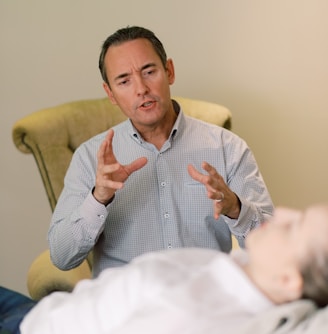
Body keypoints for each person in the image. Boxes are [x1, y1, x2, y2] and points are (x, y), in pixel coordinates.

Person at [48, 26, 273, 277]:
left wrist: (236, 208)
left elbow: (273, 247)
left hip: (204, 302)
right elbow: (61, 256)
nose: (141, 88)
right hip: (127, 307)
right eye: (124, 81)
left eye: (149, 72)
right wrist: (98, 197)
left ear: (169, 71)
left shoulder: (227, 147)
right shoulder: (90, 157)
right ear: (110, 93)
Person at [2, 204, 328, 333]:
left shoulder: (190, 317)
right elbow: (61, 253)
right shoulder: (248, 268)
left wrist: (235, 208)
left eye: (292, 227)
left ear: (288, 280)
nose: (280, 212)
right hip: (53, 309)